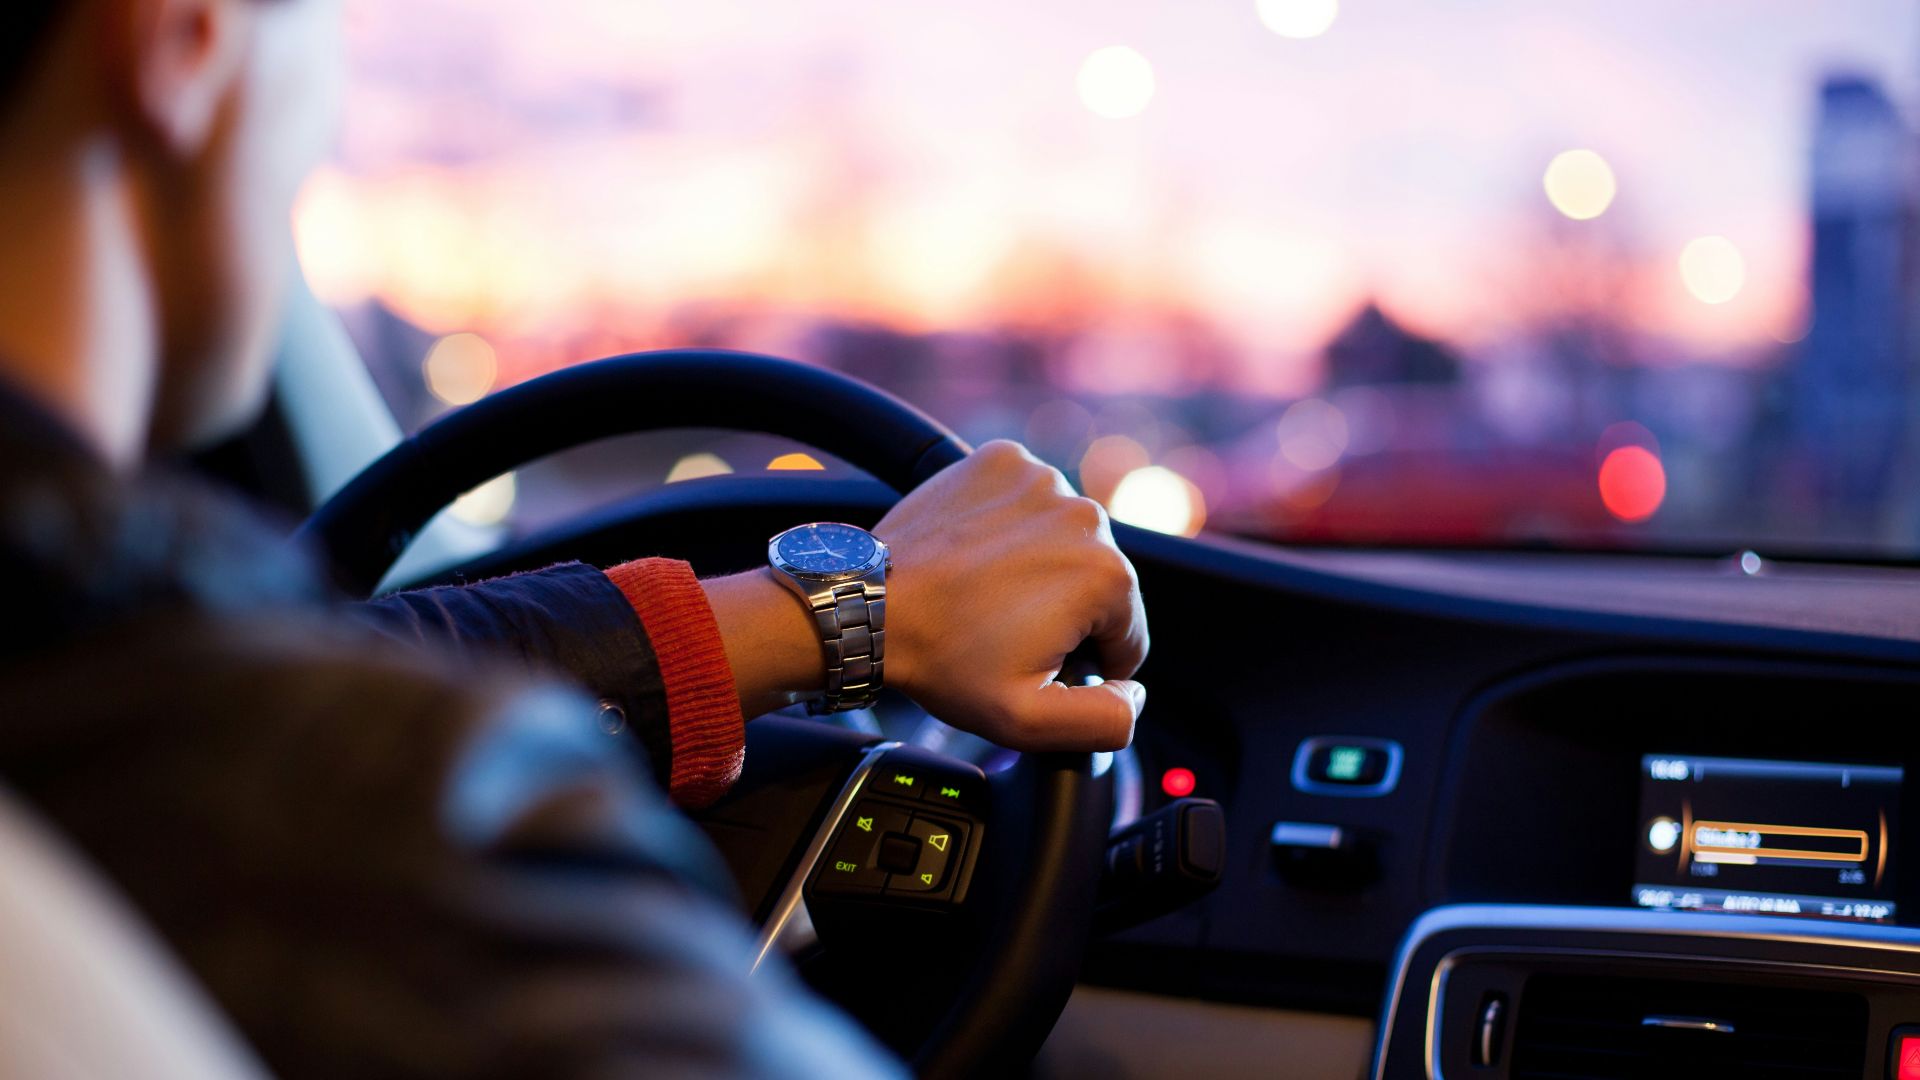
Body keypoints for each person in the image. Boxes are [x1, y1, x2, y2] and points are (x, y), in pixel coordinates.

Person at [0, 0, 1150, 1076]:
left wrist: (830, 617)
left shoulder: (112, 691)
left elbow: (296, 655)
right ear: (185, 40)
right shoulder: (392, 838)